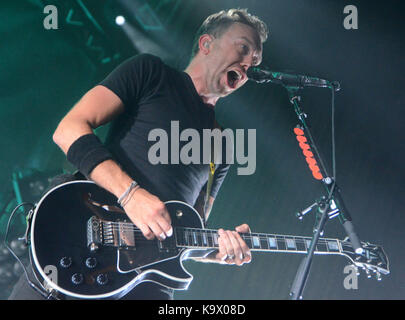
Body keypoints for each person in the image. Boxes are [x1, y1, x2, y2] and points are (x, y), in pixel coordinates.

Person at [9, 8, 268, 300]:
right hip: (79, 246)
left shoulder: (222, 144)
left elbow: (187, 230)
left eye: (255, 61)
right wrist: (131, 195)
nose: (249, 65)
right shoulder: (151, 73)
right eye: (244, 49)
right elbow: (69, 129)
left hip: (143, 285)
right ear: (206, 44)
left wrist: (215, 250)